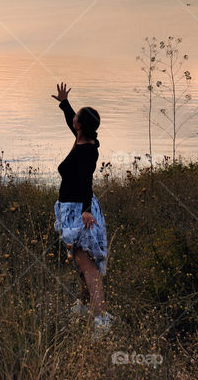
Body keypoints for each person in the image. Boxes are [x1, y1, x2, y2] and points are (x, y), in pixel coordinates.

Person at [51, 81, 113, 332]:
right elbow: (72, 123)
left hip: (79, 212)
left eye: (75, 117)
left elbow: (86, 180)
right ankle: (86, 306)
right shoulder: (83, 140)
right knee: (81, 262)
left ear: (80, 126)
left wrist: (86, 209)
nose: (72, 118)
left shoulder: (87, 152)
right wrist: (65, 104)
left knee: (86, 265)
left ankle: (101, 319)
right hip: (72, 209)